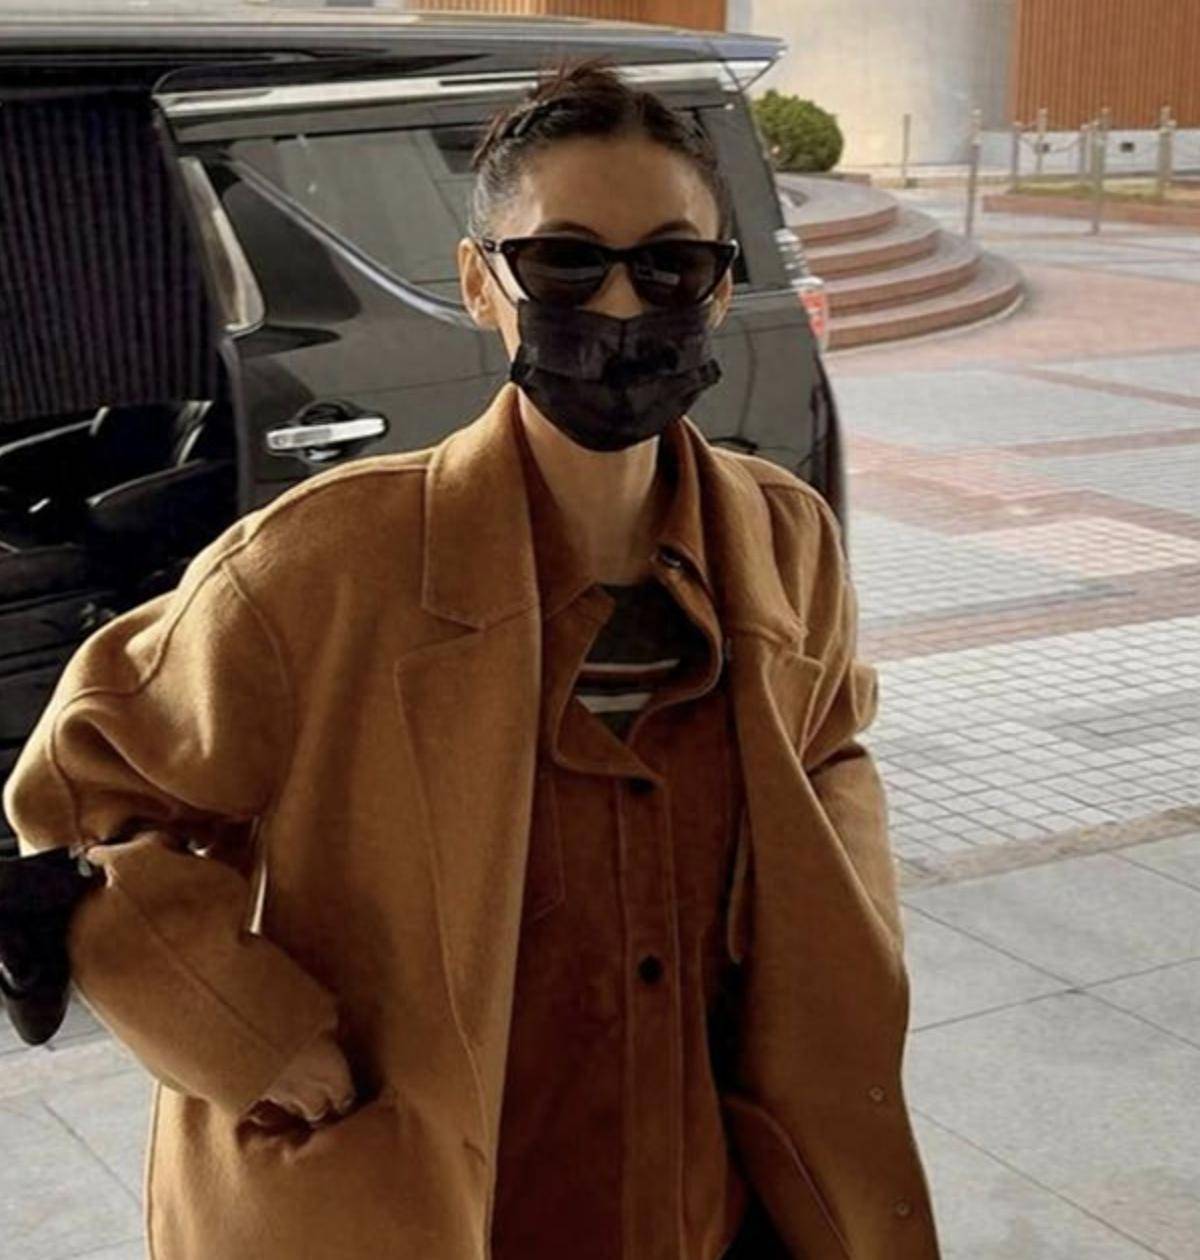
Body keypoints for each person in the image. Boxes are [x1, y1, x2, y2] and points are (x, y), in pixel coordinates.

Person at [4, 56, 939, 1260]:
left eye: (668, 262)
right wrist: (242, 1027)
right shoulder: (322, 564)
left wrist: (851, 952)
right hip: (425, 1204)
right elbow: (86, 800)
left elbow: (829, 751)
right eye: (564, 261)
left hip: (710, 1201)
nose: (618, 306)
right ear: (478, 282)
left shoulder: (782, 538)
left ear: (717, 290)